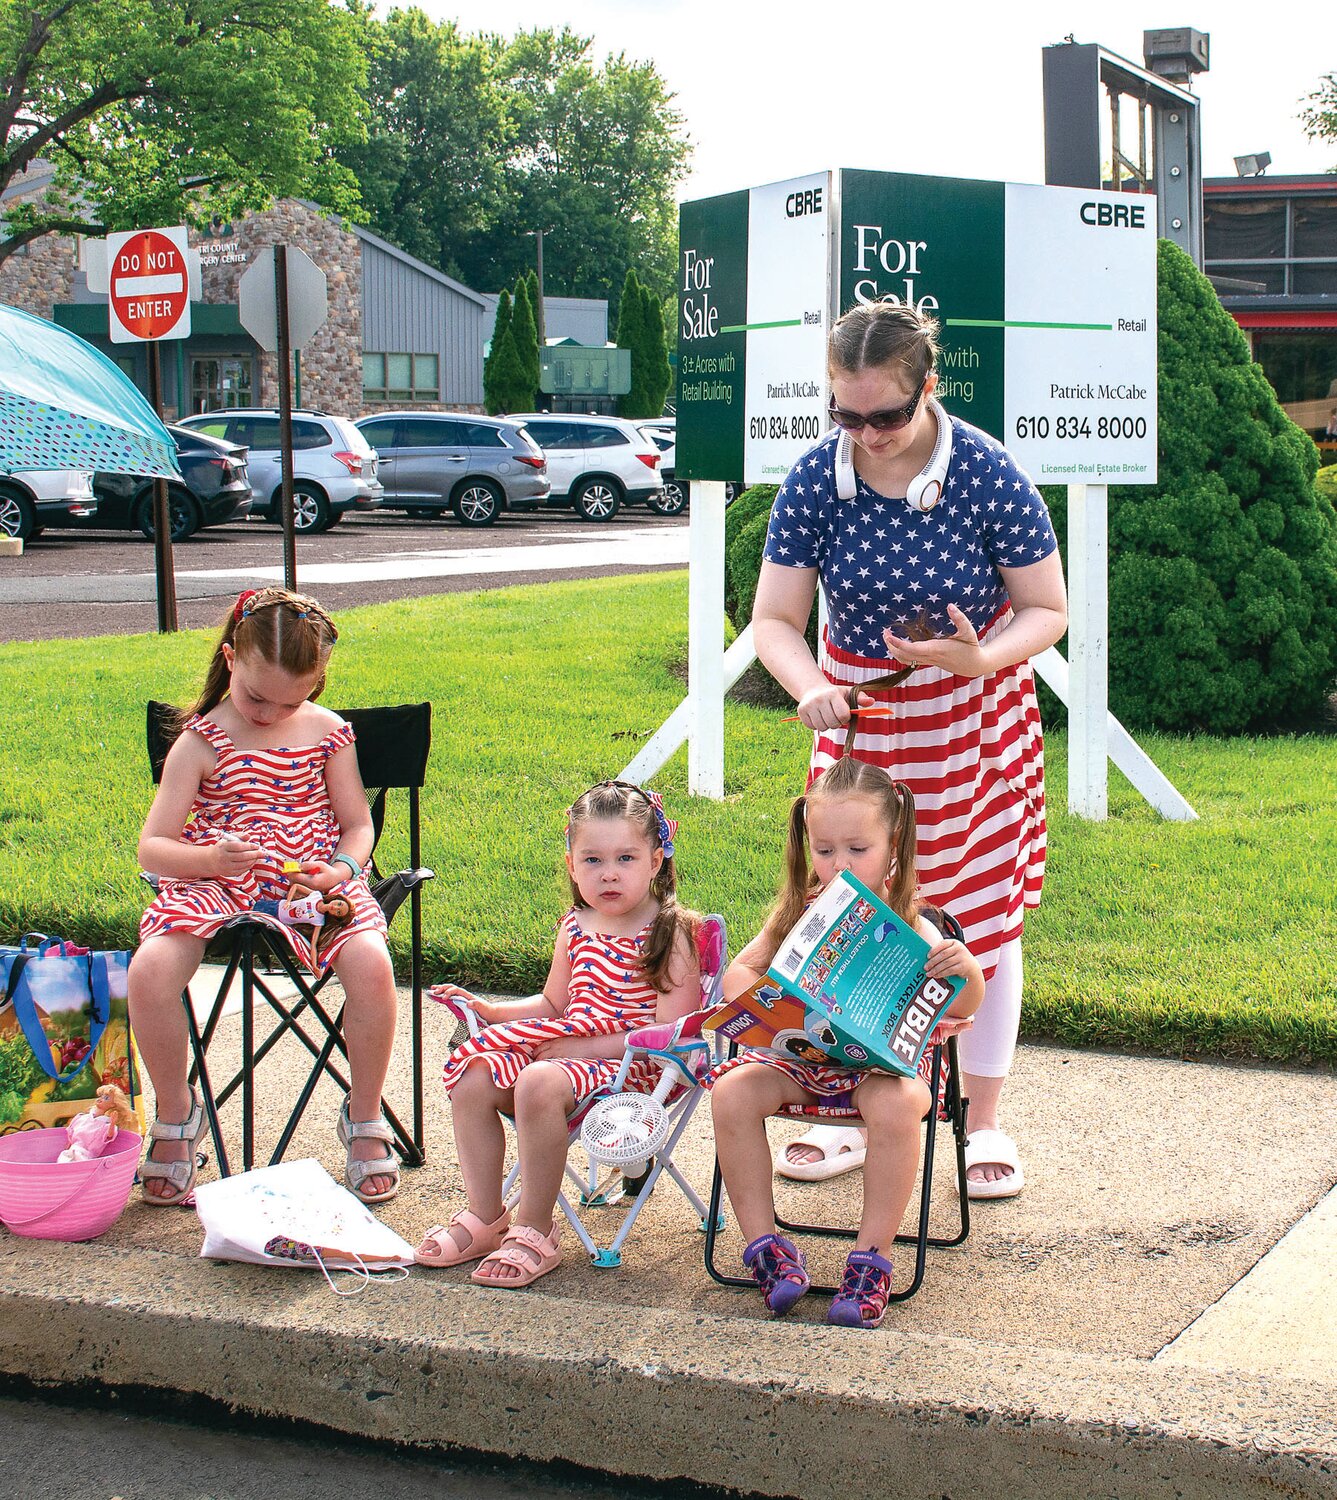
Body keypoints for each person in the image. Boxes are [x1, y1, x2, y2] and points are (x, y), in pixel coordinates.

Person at [753, 300, 1067, 1199]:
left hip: (970, 712)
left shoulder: (985, 473)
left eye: (885, 415)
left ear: (927, 388)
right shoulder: (817, 478)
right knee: (852, 908)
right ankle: (857, 1102)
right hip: (863, 719)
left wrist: (980, 658)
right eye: (844, 415)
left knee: (975, 920)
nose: (866, 434)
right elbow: (775, 620)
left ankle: (983, 1121)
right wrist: (809, 685)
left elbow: (1046, 608)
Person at [129, 587, 400, 1207]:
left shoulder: (328, 733)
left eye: (293, 699)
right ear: (230, 659)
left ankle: (363, 1120)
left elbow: (358, 824)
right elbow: (153, 848)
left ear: (318, 682)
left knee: (372, 964)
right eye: (256, 696)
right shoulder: (198, 742)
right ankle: (177, 1115)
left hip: (312, 886)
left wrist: (342, 867)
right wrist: (208, 859)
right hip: (216, 883)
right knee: (148, 971)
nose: (270, 713)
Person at [708, 756, 983, 1327]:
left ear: (893, 843)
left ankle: (872, 1260)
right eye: (825, 849)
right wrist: (769, 997)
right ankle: (768, 1249)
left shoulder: (911, 916)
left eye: (858, 849)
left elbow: (960, 1004)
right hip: (806, 1061)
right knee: (732, 1093)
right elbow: (737, 976)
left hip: (879, 1073)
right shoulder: (799, 911)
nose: (838, 865)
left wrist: (968, 972)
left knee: (899, 1103)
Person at [415, 779, 700, 1289]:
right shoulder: (575, 925)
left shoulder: (669, 931)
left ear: (656, 861)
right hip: (568, 1055)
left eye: (626, 859)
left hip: (635, 1068)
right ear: (571, 865)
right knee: (476, 1073)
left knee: (538, 1081)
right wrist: (491, 1011)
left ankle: (536, 1228)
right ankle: (486, 1216)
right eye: (592, 860)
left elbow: (671, 1031)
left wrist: (584, 1048)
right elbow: (552, 1004)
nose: (608, 874)